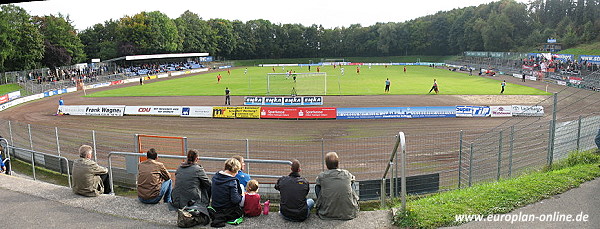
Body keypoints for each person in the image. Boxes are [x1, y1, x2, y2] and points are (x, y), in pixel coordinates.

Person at [315, 152, 359, 220]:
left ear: (326, 165)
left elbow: (317, 182)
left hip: (326, 213)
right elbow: (353, 178)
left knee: (317, 186)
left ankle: (323, 206)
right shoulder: (346, 173)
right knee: (352, 183)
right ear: (338, 163)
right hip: (349, 213)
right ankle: (352, 203)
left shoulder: (322, 176)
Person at [210, 158, 244, 227]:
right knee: (242, 188)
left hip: (215, 207)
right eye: (237, 171)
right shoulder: (232, 181)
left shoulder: (215, 177)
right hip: (226, 209)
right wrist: (241, 195)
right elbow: (235, 200)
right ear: (234, 170)